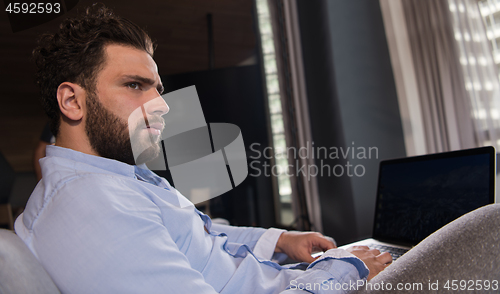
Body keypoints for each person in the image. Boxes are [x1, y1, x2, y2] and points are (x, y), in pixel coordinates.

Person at [14, 4, 392, 294]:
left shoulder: (117, 178)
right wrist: (344, 273)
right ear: (72, 102)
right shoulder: (88, 204)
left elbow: (200, 237)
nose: (162, 105)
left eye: (157, 90)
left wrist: (280, 240)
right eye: (134, 85)